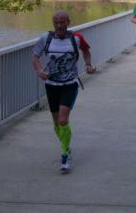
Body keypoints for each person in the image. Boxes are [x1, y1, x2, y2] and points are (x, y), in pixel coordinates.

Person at [32, 11, 95, 172]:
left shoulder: (76, 38)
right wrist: (39, 71)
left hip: (69, 84)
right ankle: (66, 144)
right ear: (53, 23)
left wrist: (88, 64)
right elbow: (35, 57)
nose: (59, 26)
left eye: (62, 22)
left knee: (62, 121)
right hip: (51, 85)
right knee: (56, 124)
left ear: (68, 22)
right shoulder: (45, 38)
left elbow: (86, 51)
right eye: (56, 23)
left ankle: (64, 155)